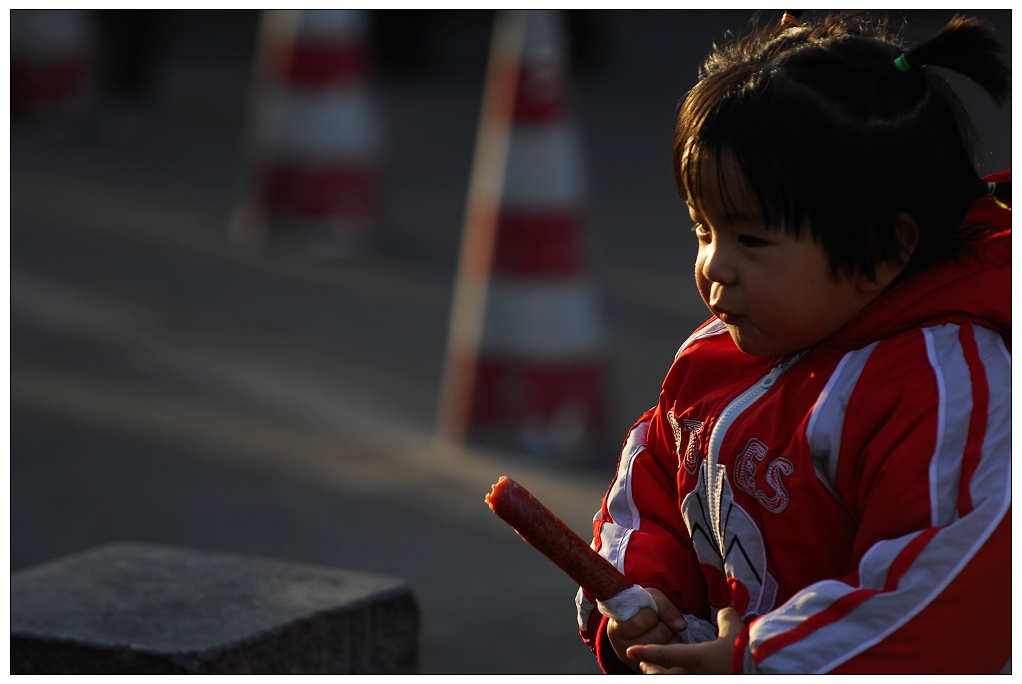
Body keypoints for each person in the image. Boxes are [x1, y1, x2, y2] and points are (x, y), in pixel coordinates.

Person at [576, 11, 1010, 674]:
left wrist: (759, 658)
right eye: (703, 229)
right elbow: (656, 470)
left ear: (884, 247)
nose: (715, 265)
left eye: (751, 240)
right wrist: (640, 591)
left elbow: (940, 594)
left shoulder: (945, 389)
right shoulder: (723, 348)